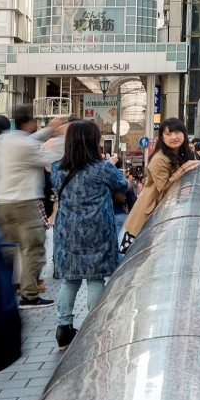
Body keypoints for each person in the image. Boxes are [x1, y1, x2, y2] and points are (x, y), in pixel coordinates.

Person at [48, 120, 127, 351]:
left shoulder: (57, 168)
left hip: (67, 232)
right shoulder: (103, 168)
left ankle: (63, 330)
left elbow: (55, 188)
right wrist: (112, 162)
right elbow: (121, 186)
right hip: (97, 231)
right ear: (95, 142)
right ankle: (95, 327)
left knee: (70, 279)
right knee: (95, 279)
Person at [0, 105, 65, 306]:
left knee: (8, 250)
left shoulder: (6, 140)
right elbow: (49, 158)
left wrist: (50, 129)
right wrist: (63, 138)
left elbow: (29, 140)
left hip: (2, 203)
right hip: (24, 203)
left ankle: (2, 292)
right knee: (33, 249)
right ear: (29, 122)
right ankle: (30, 295)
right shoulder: (25, 145)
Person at [120, 118, 198, 254]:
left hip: (164, 213)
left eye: (177, 132)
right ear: (162, 137)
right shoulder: (159, 159)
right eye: (168, 134)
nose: (173, 137)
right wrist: (182, 170)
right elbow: (165, 190)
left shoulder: (183, 154)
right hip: (149, 215)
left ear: (184, 134)